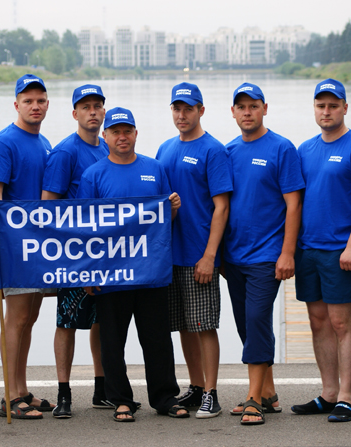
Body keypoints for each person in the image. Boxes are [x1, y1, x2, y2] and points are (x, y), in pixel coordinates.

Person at [77, 107, 188, 422]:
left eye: (127, 131)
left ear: (136, 134)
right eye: (115, 132)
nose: (122, 137)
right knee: (112, 341)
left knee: (157, 339)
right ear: (106, 136)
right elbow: (83, 228)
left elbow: (164, 220)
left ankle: (165, 398)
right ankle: (121, 400)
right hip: (111, 273)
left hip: (151, 270)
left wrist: (173, 208)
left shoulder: (154, 168)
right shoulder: (93, 175)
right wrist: (88, 272)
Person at [292, 78, 351, 422]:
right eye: (321, 105)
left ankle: (347, 397)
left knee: (342, 323)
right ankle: (328, 394)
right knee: (318, 322)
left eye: (333, 105)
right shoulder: (305, 150)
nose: (326, 111)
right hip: (308, 249)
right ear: (314, 108)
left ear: (345, 107)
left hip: (342, 251)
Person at [223, 83, 304, 425]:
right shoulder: (227, 151)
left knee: (257, 318)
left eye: (253, 106)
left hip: (267, 254)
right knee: (246, 323)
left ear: (264, 109)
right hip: (233, 256)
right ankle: (268, 391)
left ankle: (253, 398)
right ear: (233, 112)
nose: (247, 112)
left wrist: (288, 253)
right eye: (241, 107)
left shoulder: (282, 148)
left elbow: (294, 204)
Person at [156, 82, 233, 418]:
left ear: (201, 110)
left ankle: (212, 393)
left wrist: (210, 255)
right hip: (168, 256)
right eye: (177, 108)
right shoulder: (164, 149)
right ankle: (197, 385)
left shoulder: (213, 150)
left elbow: (222, 207)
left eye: (188, 108)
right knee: (185, 326)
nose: (182, 115)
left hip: (198, 255)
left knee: (204, 325)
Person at [0, 74, 54, 419]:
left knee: (30, 318)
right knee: (17, 317)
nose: (35, 106)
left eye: (40, 101)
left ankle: (22, 388)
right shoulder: (5, 142)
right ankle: (10, 395)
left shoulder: (45, 143)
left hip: (41, 247)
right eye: (28, 101)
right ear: (16, 105)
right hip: (16, 247)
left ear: (47, 104)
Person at [41, 85, 111, 417]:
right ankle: (64, 393)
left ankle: (101, 389)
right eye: (86, 107)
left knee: (102, 323)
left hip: (105, 254)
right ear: (75, 113)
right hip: (73, 256)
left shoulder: (108, 147)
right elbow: (47, 208)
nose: (92, 112)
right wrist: (73, 258)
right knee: (67, 323)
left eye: (97, 106)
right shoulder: (65, 153)